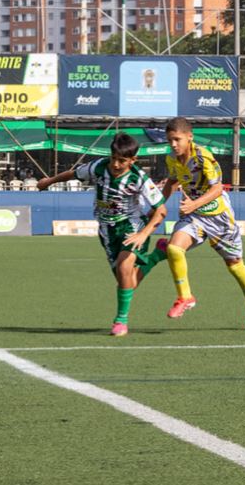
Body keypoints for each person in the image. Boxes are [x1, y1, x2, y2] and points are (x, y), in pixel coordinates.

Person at [37, 132, 169, 337]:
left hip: (131, 228)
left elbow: (161, 210)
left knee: (125, 268)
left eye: (122, 161)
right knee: (127, 282)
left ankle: (120, 321)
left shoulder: (139, 178)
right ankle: (156, 257)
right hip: (107, 231)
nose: (116, 164)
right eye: (114, 158)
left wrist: (143, 234)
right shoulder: (99, 167)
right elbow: (73, 174)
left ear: (133, 160)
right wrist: (49, 182)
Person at [160, 117, 245, 331]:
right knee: (174, 248)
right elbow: (172, 181)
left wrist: (193, 204)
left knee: (235, 266)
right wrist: (158, 206)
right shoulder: (172, 159)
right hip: (195, 216)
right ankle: (185, 297)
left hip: (219, 217)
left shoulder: (203, 157)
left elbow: (218, 189)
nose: (173, 144)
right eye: (170, 140)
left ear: (190, 137)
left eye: (177, 139)